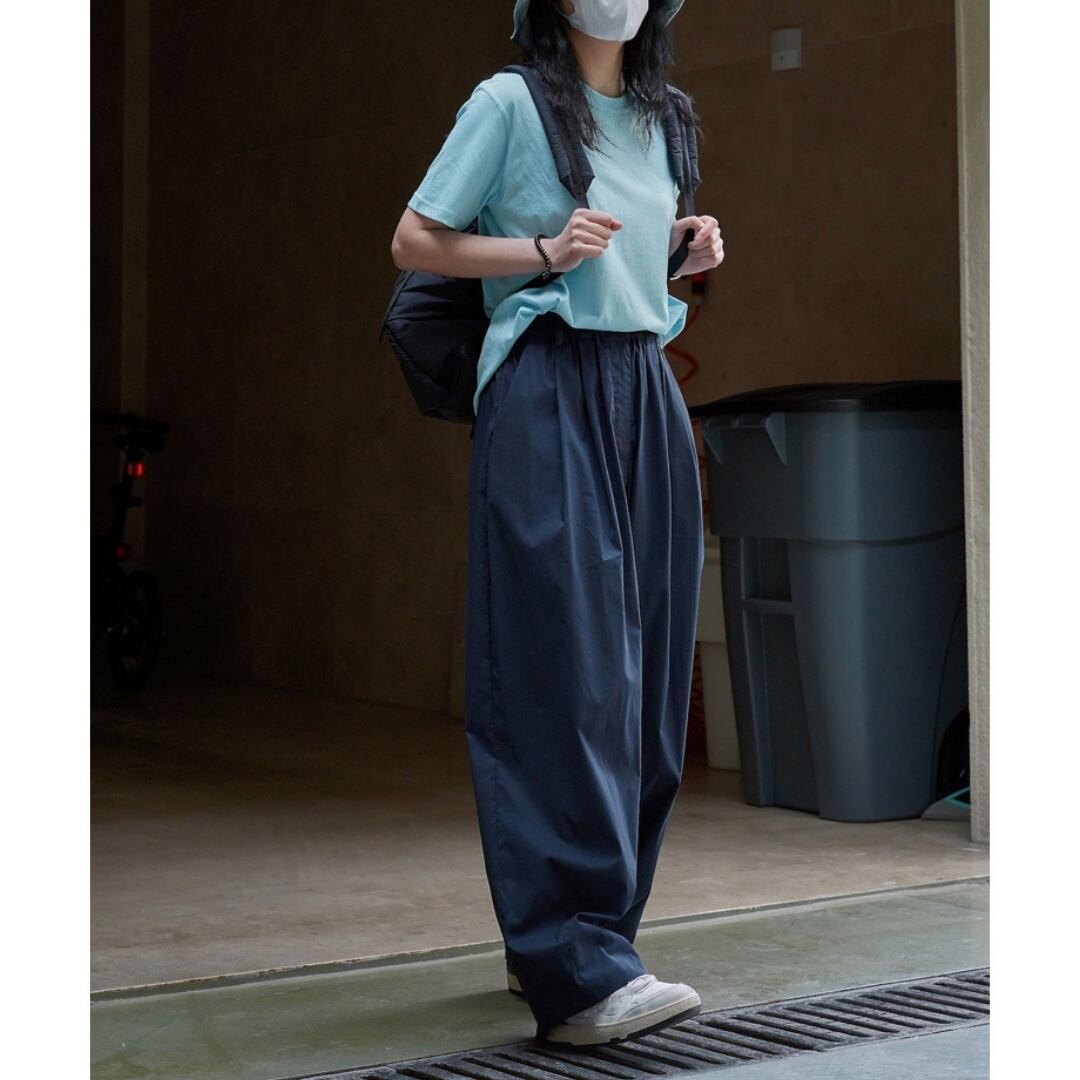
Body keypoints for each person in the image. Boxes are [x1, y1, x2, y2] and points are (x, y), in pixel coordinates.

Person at [390, 0, 725, 1047]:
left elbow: (616, 263)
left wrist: (675, 255)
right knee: (563, 673)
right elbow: (415, 239)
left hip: (644, 384)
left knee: (647, 682)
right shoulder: (509, 104)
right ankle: (575, 973)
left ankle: (583, 942)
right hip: (545, 387)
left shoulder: (665, 116)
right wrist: (540, 248)